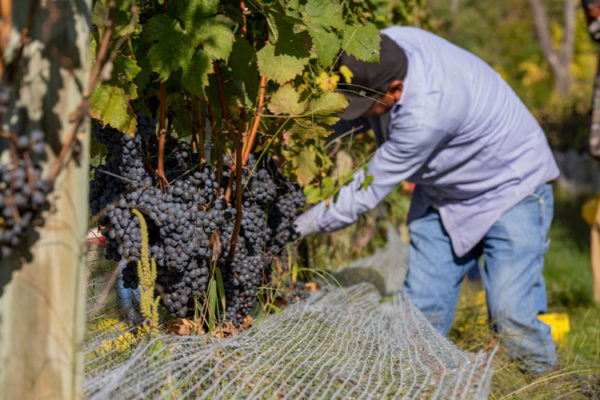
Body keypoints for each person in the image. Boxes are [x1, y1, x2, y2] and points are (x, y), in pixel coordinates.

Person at [295, 26, 559, 374]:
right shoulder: (385, 46)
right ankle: (421, 382)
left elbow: (365, 192)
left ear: (395, 90)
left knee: (512, 316)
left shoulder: (427, 114)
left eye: (365, 106)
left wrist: (295, 226)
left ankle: (548, 383)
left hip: (512, 186)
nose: (356, 113)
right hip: (445, 191)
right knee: (420, 314)